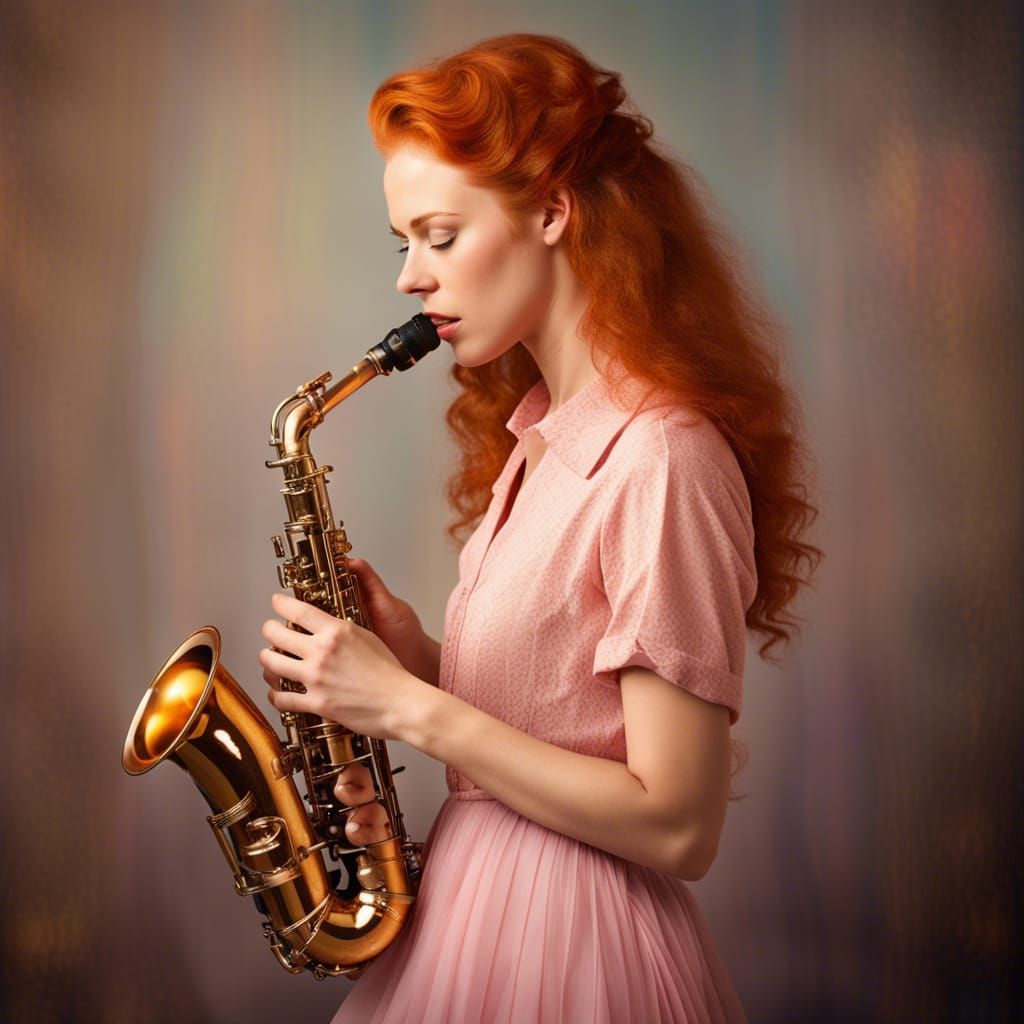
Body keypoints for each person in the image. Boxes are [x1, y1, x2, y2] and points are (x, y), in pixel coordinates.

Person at [259, 33, 820, 1024]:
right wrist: (418, 658)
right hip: (478, 921)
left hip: (579, 946)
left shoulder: (662, 456)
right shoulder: (540, 442)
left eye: (438, 235)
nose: (409, 279)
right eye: (404, 243)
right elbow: (565, 722)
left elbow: (678, 822)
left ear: (553, 211)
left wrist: (405, 707)